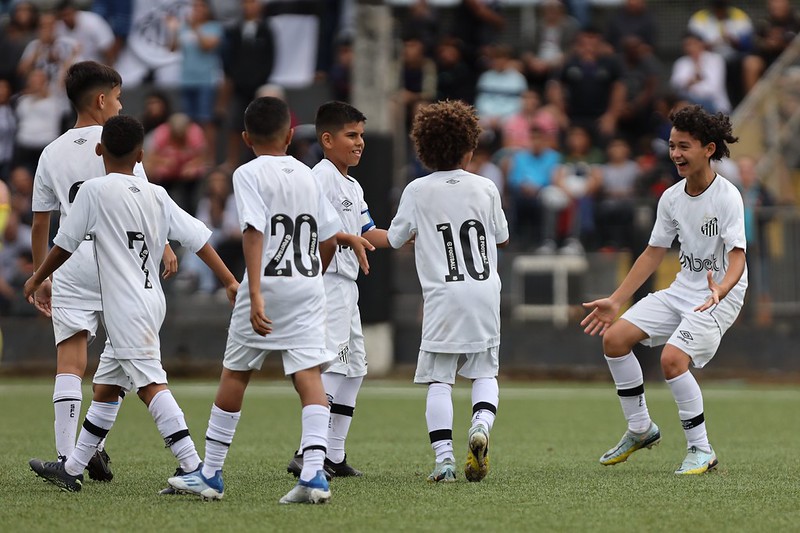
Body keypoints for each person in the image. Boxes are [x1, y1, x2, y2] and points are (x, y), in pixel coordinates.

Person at [167, 97, 370, 504]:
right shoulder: (310, 174)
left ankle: (210, 474)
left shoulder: (247, 173)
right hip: (309, 287)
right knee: (309, 376)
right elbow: (329, 237)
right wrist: (314, 272)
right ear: (291, 135)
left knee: (236, 373)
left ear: (245, 138)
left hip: (269, 283)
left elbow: (254, 230)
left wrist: (254, 291)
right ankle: (314, 475)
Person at [25, 114, 238, 493]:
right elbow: (199, 239)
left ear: (99, 149)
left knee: (151, 385)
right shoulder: (156, 193)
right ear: (141, 155)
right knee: (106, 387)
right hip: (151, 300)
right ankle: (72, 468)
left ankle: (200, 470)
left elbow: (64, 245)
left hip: (124, 309)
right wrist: (229, 280)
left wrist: (38, 276)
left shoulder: (93, 191)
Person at [29, 61, 177, 483]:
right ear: (101, 100)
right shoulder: (118, 141)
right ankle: (91, 451)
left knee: (70, 362)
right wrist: (164, 245)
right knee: (119, 364)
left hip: (71, 263)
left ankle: (66, 457)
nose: (119, 104)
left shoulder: (51, 152)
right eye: (117, 97)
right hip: (120, 264)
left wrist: (43, 277)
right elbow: (143, 198)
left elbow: (42, 222)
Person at [581, 104, 747, 475]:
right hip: (683, 290)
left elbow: (738, 257)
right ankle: (640, 429)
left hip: (719, 296)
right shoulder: (671, 197)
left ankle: (701, 450)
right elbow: (653, 252)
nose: (675, 154)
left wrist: (721, 288)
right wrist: (616, 300)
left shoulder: (728, 197)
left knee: (672, 361)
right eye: (672, 146)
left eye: (684, 146)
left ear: (708, 148)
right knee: (615, 339)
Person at [372, 100, 509, 483]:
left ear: (424, 149)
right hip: (484, 294)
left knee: (440, 380)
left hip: (443, 298)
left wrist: (361, 234)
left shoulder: (418, 190)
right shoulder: (485, 186)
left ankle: (445, 460)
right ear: (469, 148)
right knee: (484, 373)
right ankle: (481, 423)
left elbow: (396, 238)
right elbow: (501, 237)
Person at [286, 101, 386, 479]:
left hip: (347, 286)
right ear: (327, 140)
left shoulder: (352, 184)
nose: (359, 143)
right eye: (351, 135)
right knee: (329, 363)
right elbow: (317, 233)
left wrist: (409, 234)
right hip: (328, 283)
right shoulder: (320, 177)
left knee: (355, 367)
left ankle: (335, 454)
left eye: (361, 135)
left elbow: (366, 233)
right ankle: (307, 450)